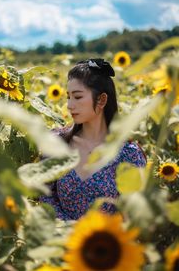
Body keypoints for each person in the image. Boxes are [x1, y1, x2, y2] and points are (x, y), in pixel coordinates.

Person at [40, 58, 146, 220]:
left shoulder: (128, 153)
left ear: (102, 100)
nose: (69, 105)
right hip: (60, 240)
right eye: (68, 97)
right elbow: (46, 196)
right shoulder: (58, 144)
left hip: (108, 241)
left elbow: (134, 212)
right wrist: (69, 230)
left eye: (77, 97)